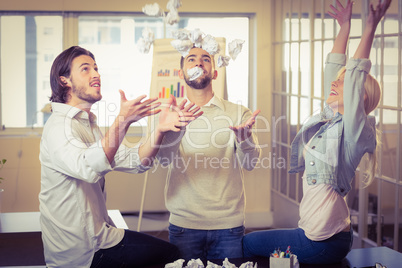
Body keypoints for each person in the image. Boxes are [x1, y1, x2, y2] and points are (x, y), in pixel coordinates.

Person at [242, 0, 391, 264]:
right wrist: (344, 26)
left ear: (358, 97)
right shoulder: (332, 119)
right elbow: (333, 70)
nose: (335, 82)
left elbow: (355, 76)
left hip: (321, 242)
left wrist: (370, 25)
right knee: (258, 246)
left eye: (342, 83)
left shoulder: (353, 133)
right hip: (318, 235)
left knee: (247, 244)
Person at [39, 45, 201, 268]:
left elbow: (138, 161)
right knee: (172, 255)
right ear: (64, 80)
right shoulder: (59, 127)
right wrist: (123, 120)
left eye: (96, 68)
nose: (96, 74)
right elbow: (88, 168)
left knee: (169, 253)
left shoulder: (87, 124)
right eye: (85, 69)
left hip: (101, 236)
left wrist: (161, 130)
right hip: (82, 253)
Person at [151, 44, 261, 261]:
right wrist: (176, 131)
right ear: (182, 73)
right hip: (184, 225)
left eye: (206, 59)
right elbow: (163, 161)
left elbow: (250, 163)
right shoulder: (168, 115)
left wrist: (245, 140)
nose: (198, 62)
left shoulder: (239, 113)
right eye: (191, 59)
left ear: (215, 72)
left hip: (229, 226)